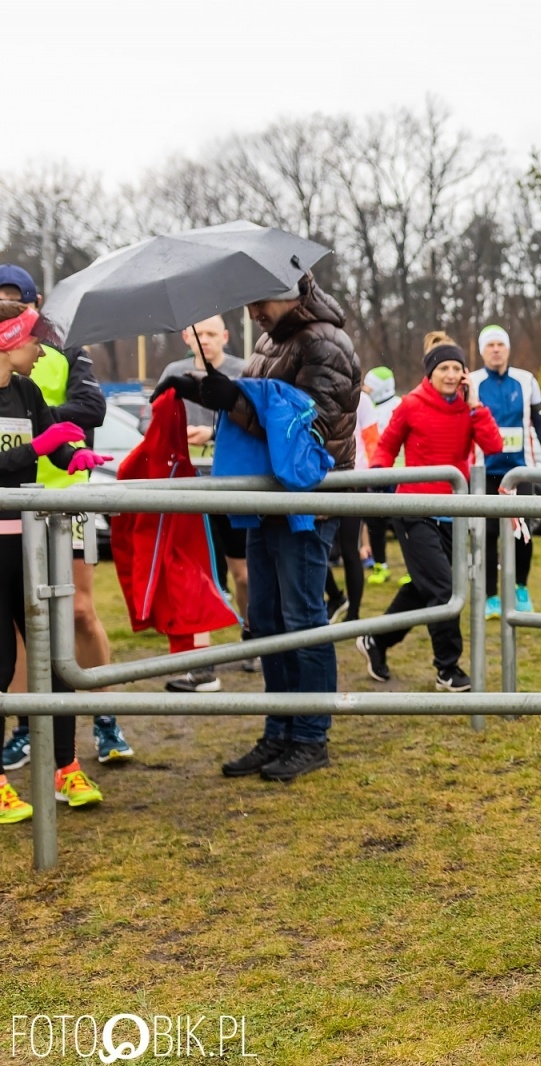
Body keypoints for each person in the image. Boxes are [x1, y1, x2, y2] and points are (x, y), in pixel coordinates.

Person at [160, 272, 361, 783]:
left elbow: (307, 424)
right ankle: (279, 730)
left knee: (302, 618)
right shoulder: (273, 339)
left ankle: (310, 736)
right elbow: (257, 400)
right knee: (268, 622)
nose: (253, 312)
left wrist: (232, 398)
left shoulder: (328, 343)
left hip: (305, 502)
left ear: (292, 290)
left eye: (259, 300)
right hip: (267, 498)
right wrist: (206, 388)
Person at [0, 264, 130, 769]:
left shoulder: (58, 356)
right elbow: (38, 437)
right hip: (11, 523)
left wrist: (68, 454)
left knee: (73, 616)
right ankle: (26, 728)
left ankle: (97, 722)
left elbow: (88, 409)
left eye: (18, 299)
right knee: (11, 644)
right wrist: (42, 441)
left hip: (57, 509)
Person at [357, 336, 501, 692]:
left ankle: (376, 640)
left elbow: (494, 446)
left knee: (424, 587)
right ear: (430, 373)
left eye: (456, 368)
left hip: (455, 510)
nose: (450, 375)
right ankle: (447, 669)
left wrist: (476, 404)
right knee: (444, 587)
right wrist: (379, 478)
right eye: (443, 369)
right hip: (415, 510)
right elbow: (387, 445)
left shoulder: (469, 408)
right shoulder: (411, 404)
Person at [152, 316, 253, 693]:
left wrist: (212, 432)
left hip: (234, 483)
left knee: (242, 572)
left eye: (213, 333)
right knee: (199, 573)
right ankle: (202, 664)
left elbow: (252, 421)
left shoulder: (243, 370)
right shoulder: (174, 372)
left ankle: (252, 634)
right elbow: (157, 423)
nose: (206, 340)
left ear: (225, 337)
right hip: (188, 483)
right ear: (186, 338)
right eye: (199, 334)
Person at [469, 324, 541, 618]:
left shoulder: (525, 379)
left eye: (500, 344)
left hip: (521, 470)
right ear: (482, 351)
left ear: (508, 349)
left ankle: (521, 588)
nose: (496, 349)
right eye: (490, 345)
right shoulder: (473, 381)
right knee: (489, 533)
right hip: (485, 471)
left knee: (522, 532)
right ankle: (491, 597)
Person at [358, 367, 400, 585]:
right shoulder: (368, 408)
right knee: (375, 521)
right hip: (375, 473)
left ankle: (413, 568)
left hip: (397, 474)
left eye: (370, 384)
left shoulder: (399, 406)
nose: (366, 388)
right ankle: (380, 565)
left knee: (401, 522)